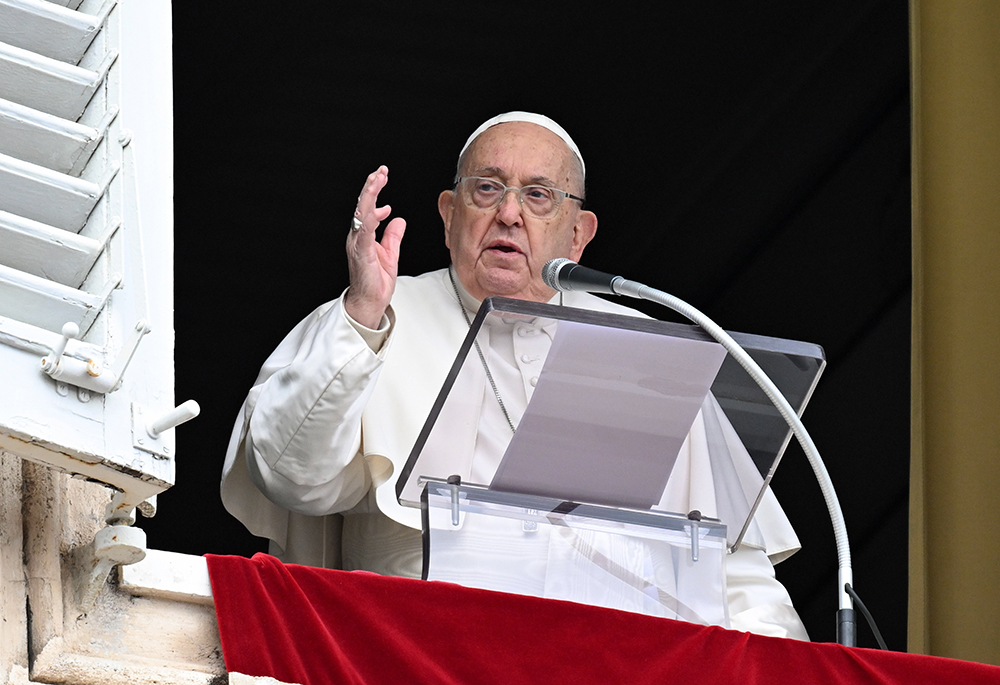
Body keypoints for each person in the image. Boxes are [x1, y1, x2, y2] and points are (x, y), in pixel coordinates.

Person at [221, 112, 809, 639]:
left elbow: (737, 574)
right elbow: (290, 478)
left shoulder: (648, 350)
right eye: (487, 188)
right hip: (423, 655)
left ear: (578, 234)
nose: (508, 213)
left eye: (538, 195)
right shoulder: (373, 315)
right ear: (450, 216)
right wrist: (361, 320)